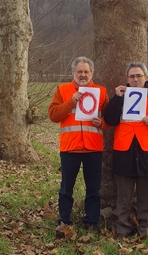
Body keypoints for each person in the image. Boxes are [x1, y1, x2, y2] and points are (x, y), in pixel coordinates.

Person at [104, 62, 148, 238]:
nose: (135, 79)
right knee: (123, 198)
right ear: (127, 78)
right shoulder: (121, 96)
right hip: (124, 152)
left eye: (138, 76)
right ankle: (123, 230)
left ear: (146, 77)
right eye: (132, 76)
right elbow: (110, 119)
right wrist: (117, 98)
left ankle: (145, 230)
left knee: (146, 198)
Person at [48, 56, 109, 231]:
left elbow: (110, 118)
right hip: (70, 148)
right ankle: (64, 221)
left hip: (93, 148)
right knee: (66, 188)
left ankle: (91, 222)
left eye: (86, 71)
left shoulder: (101, 92)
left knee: (93, 189)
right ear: (73, 72)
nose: (83, 74)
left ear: (91, 73)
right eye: (80, 71)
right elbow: (53, 115)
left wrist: (102, 123)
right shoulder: (63, 90)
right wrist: (70, 102)